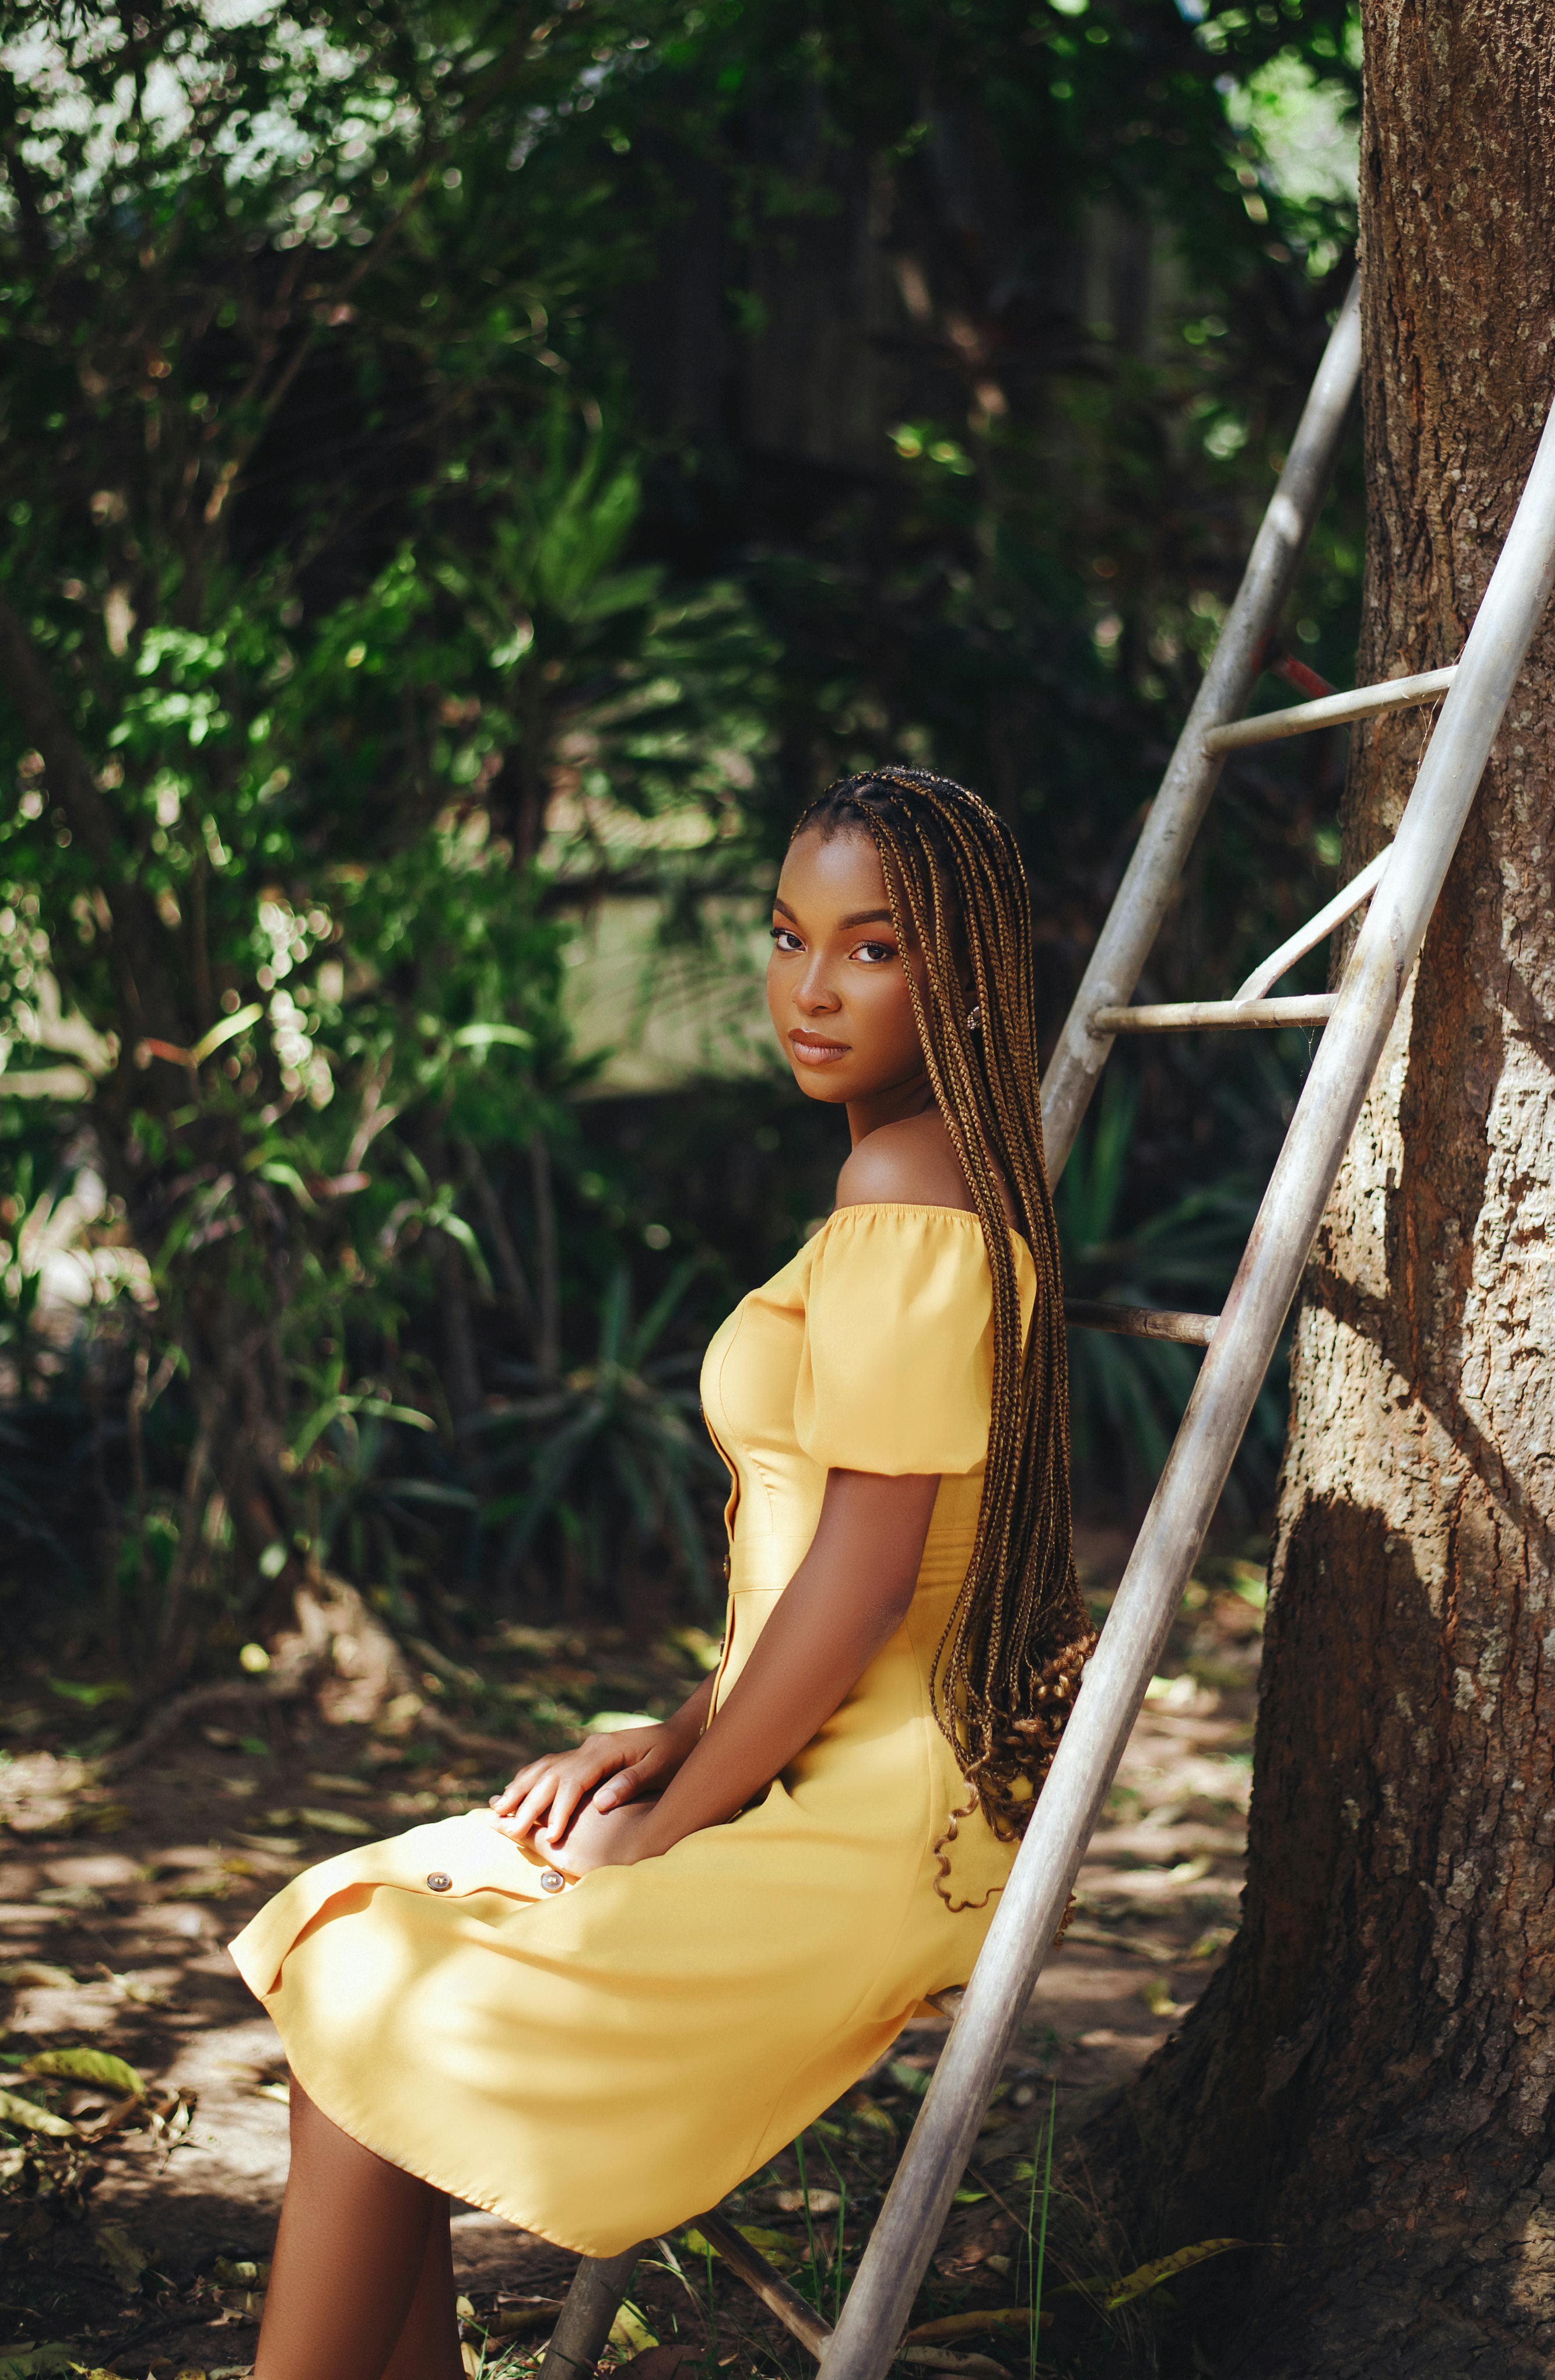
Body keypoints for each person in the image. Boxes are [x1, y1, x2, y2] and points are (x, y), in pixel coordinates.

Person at [231, 765, 1094, 2380]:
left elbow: (861, 1574)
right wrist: (678, 1730)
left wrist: (672, 1819)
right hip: (816, 1751)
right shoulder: (919, 1177)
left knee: (371, 1990)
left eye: (871, 947)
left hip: (875, 1810)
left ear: (960, 973)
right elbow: (837, 1575)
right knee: (351, 1975)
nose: (809, 986)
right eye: (786, 935)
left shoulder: (904, 1187)